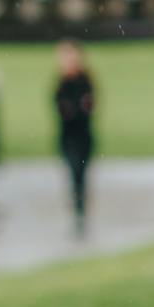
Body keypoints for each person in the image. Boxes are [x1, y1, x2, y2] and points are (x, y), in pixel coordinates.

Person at [55, 40, 97, 234]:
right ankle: (77, 211)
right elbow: (62, 111)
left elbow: (87, 109)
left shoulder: (86, 81)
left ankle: (81, 212)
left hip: (83, 136)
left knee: (81, 174)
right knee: (73, 173)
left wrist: (76, 110)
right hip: (68, 137)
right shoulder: (61, 83)